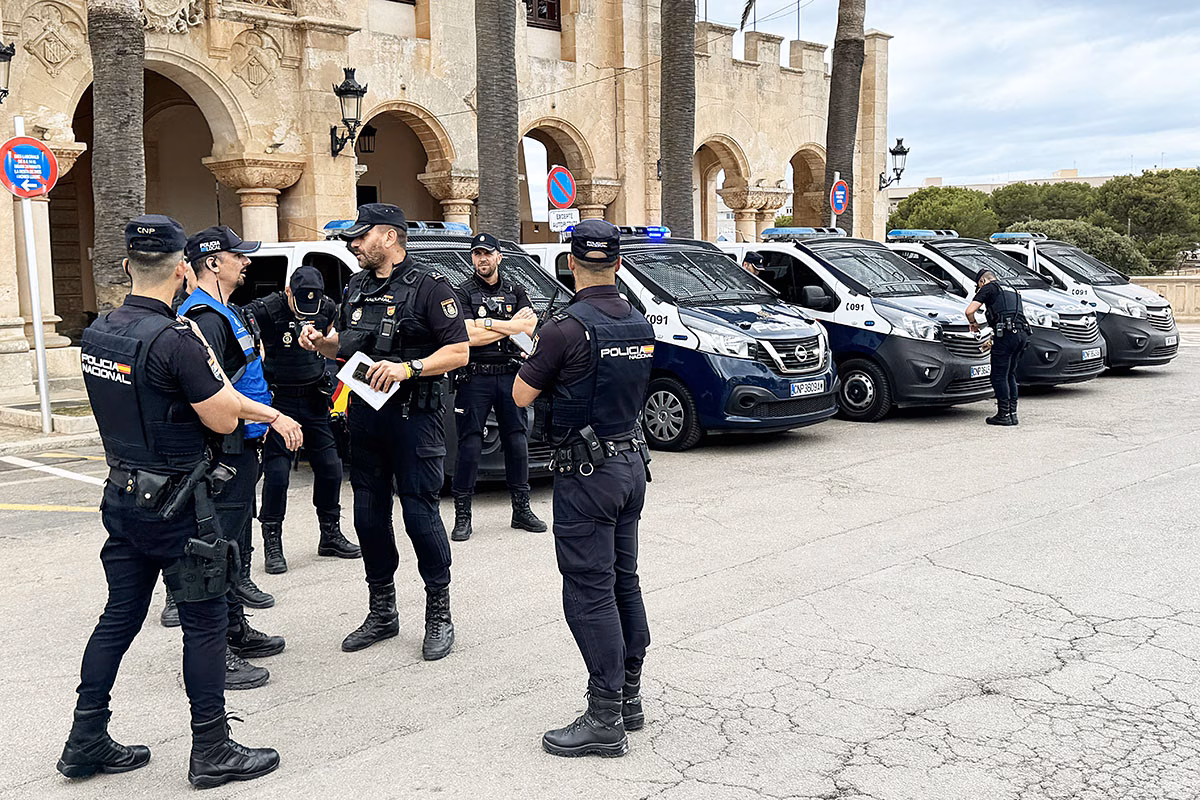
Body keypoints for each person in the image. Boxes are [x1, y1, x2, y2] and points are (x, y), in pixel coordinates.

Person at [59, 215, 279, 788]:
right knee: (205, 624)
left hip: (123, 495)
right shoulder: (177, 340)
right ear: (183, 268)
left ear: (129, 265)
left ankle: (85, 737)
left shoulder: (101, 332)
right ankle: (212, 747)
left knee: (118, 618)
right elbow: (221, 414)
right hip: (180, 502)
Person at [299, 203, 469, 659]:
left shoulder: (431, 288)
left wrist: (408, 368)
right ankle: (382, 611)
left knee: (419, 515)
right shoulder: (355, 285)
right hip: (365, 416)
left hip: (415, 420)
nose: (353, 244)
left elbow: (458, 352)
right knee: (369, 517)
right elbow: (346, 345)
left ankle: (439, 612)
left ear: (389, 237)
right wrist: (321, 342)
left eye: (361, 236)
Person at [512, 219, 654, 758]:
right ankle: (630, 699)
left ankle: (604, 716)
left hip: (587, 476)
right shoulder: (640, 323)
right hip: (630, 465)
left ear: (570, 264)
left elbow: (523, 396)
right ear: (617, 263)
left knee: (589, 593)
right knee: (624, 583)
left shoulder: (565, 327)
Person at [176, 225, 301, 690]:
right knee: (219, 546)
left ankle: (235, 629)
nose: (247, 262)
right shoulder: (206, 317)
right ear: (213, 263)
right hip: (225, 446)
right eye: (238, 256)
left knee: (234, 540)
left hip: (243, 440)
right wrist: (271, 417)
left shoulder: (224, 311)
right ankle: (219, 651)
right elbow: (215, 393)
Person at [242, 266, 360, 573]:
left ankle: (330, 534)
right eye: (299, 301)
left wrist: (324, 346)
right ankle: (272, 542)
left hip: (313, 398)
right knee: (278, 474)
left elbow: (338, 340)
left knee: (331, 468)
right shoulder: (266, 309)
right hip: (279, 400)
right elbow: (239, 333)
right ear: (288, 291)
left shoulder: (328, 307)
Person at [449, 231, 546, 541]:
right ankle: (463, 514)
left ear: (498, 257)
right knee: (470, 445)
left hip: (509, 374)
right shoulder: (462, 292)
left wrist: (487, 325)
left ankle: (521, 509)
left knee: (517, 441)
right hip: (474, 376)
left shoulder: (516, 291)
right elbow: (467, 336)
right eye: (477, 254)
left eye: (488, 253)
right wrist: (509, 326)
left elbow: (529, 328)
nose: (482, 259)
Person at [966, 269, 1029, 426]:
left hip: (1006, 335)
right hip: (1022, 335)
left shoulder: (989, 287)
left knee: (998, 376)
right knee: (1010, 374)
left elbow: (969, 311)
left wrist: (973, 323)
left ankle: (1003, 415)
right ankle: (1012, 414)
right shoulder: (1011, 289)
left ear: (982, 281)